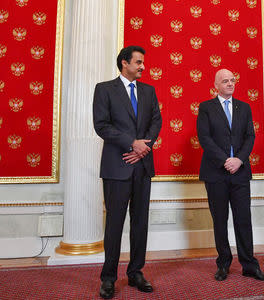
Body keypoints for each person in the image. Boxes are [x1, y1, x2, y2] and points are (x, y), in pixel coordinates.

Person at [93, 45, 162, 298]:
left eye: (143, 62)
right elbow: (101, 125)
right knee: (114, 223)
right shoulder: (104, 89)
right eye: (139, 62)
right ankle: (108, 278)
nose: (143, 67)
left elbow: (157, 121)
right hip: (117, 165)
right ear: (125, 63)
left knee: (140, 223)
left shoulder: (149, 91)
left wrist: (144, 147)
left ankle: (135, 272)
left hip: (142, 165)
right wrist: (131, 143)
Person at [196, 69, 264, 282]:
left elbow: (250, 136)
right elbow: (205, 138)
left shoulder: (244, 107)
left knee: (243, 220)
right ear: (216, 85)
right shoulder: (206, 108)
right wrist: (225, 160)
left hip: (240, 172)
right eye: (225, 81)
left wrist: (238, 160)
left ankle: (249, 265)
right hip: (216, 173)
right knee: (220, 220)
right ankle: (223, 264)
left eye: (233, 80)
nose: (230, 84)